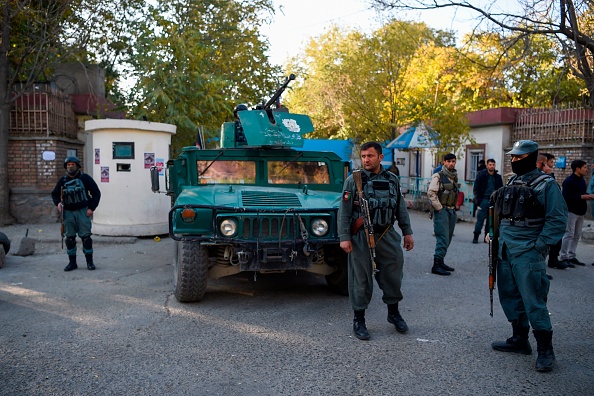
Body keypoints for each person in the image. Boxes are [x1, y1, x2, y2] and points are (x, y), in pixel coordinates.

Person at [490, 140, 567, 372]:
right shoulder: (513, 180)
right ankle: (519, 339)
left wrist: (538, 246)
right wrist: (492, 235)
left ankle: (545, 350)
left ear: (533, 159)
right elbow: (501, 213)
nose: (513, 161)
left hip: (528, 251)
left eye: (519, 158)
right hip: (505, 248)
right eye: (512, 157)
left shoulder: (546, 185)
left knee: (534, 300)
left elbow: (557, 220)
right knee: (510, 296)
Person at [338, 141, 414, 340]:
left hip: (387, 233)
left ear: (381, 157)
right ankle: (359, 319)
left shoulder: (392, 180)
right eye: (363, 156)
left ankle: (393, 313)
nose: (366, 160)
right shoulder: (353, 180)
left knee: (393, 273)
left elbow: (400, 208)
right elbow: (344, 212)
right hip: (360, 235)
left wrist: (407, 232)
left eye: (370, 156)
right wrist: (344, 237)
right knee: (360, 278)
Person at [51, 156, 101, 271]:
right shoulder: (62, 180)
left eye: (73, 164)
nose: (70, 167)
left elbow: (96, 193)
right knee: (69, 238)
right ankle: (72, 263)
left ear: (78, 166)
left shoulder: (85, 178)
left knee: (86, 238)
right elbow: (54, 194)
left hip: (83, 211)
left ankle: (90, 262)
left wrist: (91, 208)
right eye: (68, 165)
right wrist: (58, 203)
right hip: (68, 213)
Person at [558, 160, 594, 267]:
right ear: (577, 169)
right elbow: (566, 197)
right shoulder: (569, 181)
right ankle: (563, 257)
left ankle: (571, 256)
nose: (586, 169)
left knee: (577, 235)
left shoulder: (581, 180)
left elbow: (581, 193)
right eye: (584, 167)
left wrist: (588, 195)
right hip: (571, 212)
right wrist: (582, 197)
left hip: (580, 211)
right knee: (569, 234)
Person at [427, 153, 459, 276]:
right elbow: (431, 193)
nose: (451, 163)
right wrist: (439, 208)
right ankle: (436, 264)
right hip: (442, 211)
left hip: (451, 210)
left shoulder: (454, 176)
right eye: (449, 161)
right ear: (444, 162)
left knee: (448, 238)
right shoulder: (438, 176)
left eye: (453, 161)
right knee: (442, 237)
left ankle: (441, 262)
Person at [536, 153, 566, 271]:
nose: (552, 166)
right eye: (551, 163)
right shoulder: (543, 181)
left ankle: (553, 260)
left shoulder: (549, 179)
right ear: (543, 163)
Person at [472, 159, 503, 244]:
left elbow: (500, 189)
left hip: (493, 201)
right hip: (484, 200)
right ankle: (476, 236)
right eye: (490, 164)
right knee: (480, 220)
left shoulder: (497, 177)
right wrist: (479, 200)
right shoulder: (481, 175)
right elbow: (476, 188)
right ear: (487, 166)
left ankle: (487, 237)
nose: (492, 166)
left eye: (493, 164)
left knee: (491, 221)